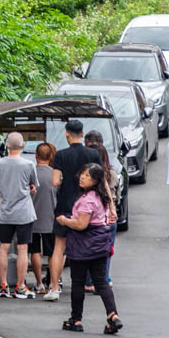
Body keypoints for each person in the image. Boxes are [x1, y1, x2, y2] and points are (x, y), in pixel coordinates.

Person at [56, 163, 122, 335]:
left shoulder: (87, 200)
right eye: (82, 174)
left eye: (87, 175)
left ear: (95, 180)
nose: (82, 177)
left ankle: (76, 319)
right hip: (100, 244)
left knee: (78, 282)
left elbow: (81, 224)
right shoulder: (102, 197)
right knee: (101, 282)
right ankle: (112, 315)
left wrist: (64, 220)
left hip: (83, 245)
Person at [45, 120, 101, 302]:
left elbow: (54, 182)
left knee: (59, 247)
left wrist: (64, 181)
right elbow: (103, 180)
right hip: (88, 206)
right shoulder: (93, 154)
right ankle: (92, 282)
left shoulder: (61, 155)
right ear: (82, 134)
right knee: (88, 245)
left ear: (67, 134)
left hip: (65, 205)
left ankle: (54, 288)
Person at [0, 132, 38, 299]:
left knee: (3, 248)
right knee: (22, 249)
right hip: (24, 212)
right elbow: (34, 185)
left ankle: (4, 286)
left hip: (5, 211)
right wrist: (31, 189)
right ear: (22, 145)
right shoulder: (28, 164)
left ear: (7, 146)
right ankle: (20, 286)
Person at [84, 130, 118, 291]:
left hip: (90, 217)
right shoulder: (110, 174)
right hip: (108, 218)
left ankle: (89, 280)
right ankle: (102, 279)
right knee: (106, 250)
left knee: (88, 249)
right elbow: (114, 194)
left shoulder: (86, 177)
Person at [30, 142, 59, 294]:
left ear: (36, 155)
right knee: (53, 253)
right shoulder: (56, 174)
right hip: (51, 218)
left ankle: (39, 283)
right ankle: (54, 283)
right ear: (51, 156)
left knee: (34, 250)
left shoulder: (30, 173)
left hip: (32, 218)